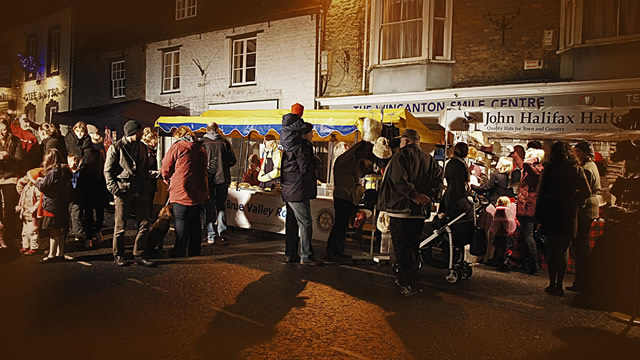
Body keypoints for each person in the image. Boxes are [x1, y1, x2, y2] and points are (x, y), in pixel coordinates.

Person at [377, 129, 443, 296]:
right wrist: (427, 197)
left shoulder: (400, 157)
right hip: (419, 212)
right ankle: (411, 279)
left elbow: (399, 180)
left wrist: (414, 195)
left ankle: (404, 281)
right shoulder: (429, 159)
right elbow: (438, 181)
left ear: (405, 141)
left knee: (401, 246)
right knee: (413, 246)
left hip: (401, 209)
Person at [535, 141, 590, 296]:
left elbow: (541, 192)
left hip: (551, 211)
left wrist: (539, 213)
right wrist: (574, 198)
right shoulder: (576, 169)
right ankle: (559, 283)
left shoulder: (549, 168)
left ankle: (552, 283)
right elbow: (587, 191)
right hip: (568, 212)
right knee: (563, 248)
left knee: (552, 249)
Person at [104, 120, 155, 267]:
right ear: (135, 132)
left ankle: (138, 254)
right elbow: (107, 171)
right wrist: (114, 189)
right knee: (120, 226)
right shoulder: (116, 147)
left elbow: (144, 168)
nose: (142, 134)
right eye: (140, 131)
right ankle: (118, 254)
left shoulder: (141, 146)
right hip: (123, 189)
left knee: (144, 223)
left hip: (140, 190)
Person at [325, 137, 375, 261]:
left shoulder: (347, 164)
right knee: (340, 225)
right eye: (345, 148)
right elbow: (351, 156)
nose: (348, 149)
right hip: (342, 196)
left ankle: (336, 250)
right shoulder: (341, 161)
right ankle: (333, 250)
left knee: (342, 225)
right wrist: (361, 143)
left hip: (346, 196)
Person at [161, 126, 208, 257]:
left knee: (181, 221)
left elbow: (165, 167)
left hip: (181, 190)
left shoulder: (178, 147)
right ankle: (194, 250)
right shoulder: (201, 149)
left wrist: (167, 179)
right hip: (199, 190)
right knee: (195, 221)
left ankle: (179, 250)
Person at [280, 121, 321, 265]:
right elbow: (305, 168)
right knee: (305, 222)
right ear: (305, 134)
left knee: (293, 223)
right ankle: (306, 255)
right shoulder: (303, 147)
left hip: (290, 188)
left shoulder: (290, 146)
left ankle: (291, 254)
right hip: (298, 189)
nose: (313, 135)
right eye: (311, 133)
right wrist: (315, 163)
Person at [568, 140, 601, 293]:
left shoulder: (586, 168)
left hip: (585, 208)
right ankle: (582, 280)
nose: (576, 154)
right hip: (590, 206)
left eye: (578, 151)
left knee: (581, 245)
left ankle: (582, 281)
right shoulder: (591, 166)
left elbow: (584, 190)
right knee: (582, 244)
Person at [510, 141, 545, 275]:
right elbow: (522, 165)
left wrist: (532, 158)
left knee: (528, 236)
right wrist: (514, 154)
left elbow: (525, 165)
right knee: (526, 236)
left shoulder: (535, 168)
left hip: (528, 206)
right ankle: (528, 263)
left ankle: (533, 265)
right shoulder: (532, 168)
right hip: (528, 205)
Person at [202, 122, 236, 244]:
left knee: (209, 206)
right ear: (217, 129)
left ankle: (211, 234)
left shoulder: (202, 143)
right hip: (222, 178)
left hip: (208, 178)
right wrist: (223, 164)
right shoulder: (224, 142)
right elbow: (233, 160)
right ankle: (222, 232)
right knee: (220, 205)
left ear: (207, 129)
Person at [37, 149, 72, 263]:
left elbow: (43, 185)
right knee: (60, 230)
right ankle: (60, 253)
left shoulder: (53, 172)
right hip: (61, 203)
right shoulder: (65, 171)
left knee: (53, 231)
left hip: (51, 204)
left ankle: (52, 255)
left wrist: (38, 181)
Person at [0, 118, 24, 249]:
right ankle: (0, 236)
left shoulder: (15, 141)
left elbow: (20, 161)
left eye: (4, 130)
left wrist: (8, 157)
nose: (2, 133)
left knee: (10, 208)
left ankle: (10, 234)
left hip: (10, 177)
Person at [16, 167, 42, 255]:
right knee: (25, 232)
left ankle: (34, 247)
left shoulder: (36, 188)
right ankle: (26, 245)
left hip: (32, 214)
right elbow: (19, 190)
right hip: (25, 212)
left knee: (33, 231)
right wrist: (20, 181)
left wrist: (34, 208)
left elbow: (40, 200)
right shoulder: (26, 187)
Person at [440, 142, 470, 217]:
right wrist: (463, 198)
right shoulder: (459, 165)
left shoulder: (451, 162)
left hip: (449, 194)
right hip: (455, 197)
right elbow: (459, 183)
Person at [489, 196, 518, 272]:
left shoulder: (496, 211)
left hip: (498, 234)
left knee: (499, 250)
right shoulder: (508, 211)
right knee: (507, 249)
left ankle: (500, 263)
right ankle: (506, 263)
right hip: (506, 235)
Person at [67, 153, 90, 247]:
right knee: (69, 215)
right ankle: (72, 230)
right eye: (72, 161)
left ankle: (79, 234)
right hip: (69, 196)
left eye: (76, 161)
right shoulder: (67, 172)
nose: (74, 163)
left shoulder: (79, 173)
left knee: (76, 215)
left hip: (77, 197)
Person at [142, 127, 161, 214]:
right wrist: (158, 173)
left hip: (147, 185)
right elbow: (145, 171)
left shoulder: (148, 151)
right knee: (146, 207)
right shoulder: (148, 152)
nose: (157, 143)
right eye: (156, 141)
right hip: (147, 184)